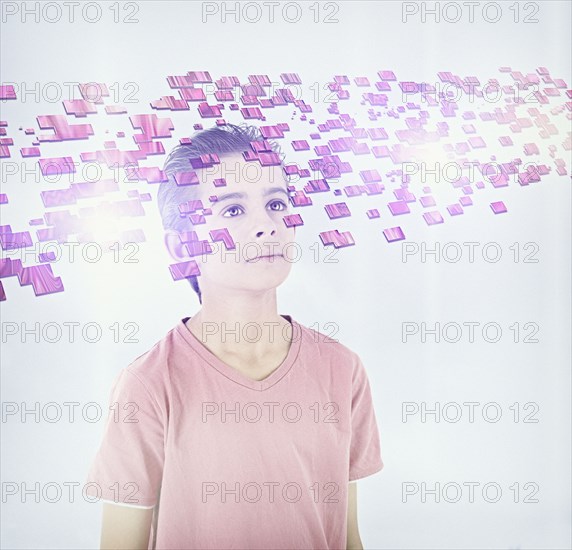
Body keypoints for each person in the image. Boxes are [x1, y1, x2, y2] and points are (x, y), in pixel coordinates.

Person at [85, 123, 384, 549]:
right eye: (232, 210)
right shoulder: (149, 385)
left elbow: (346, 534)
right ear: (182, 246)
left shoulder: (342, 369)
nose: (267, 225)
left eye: (277, 203)